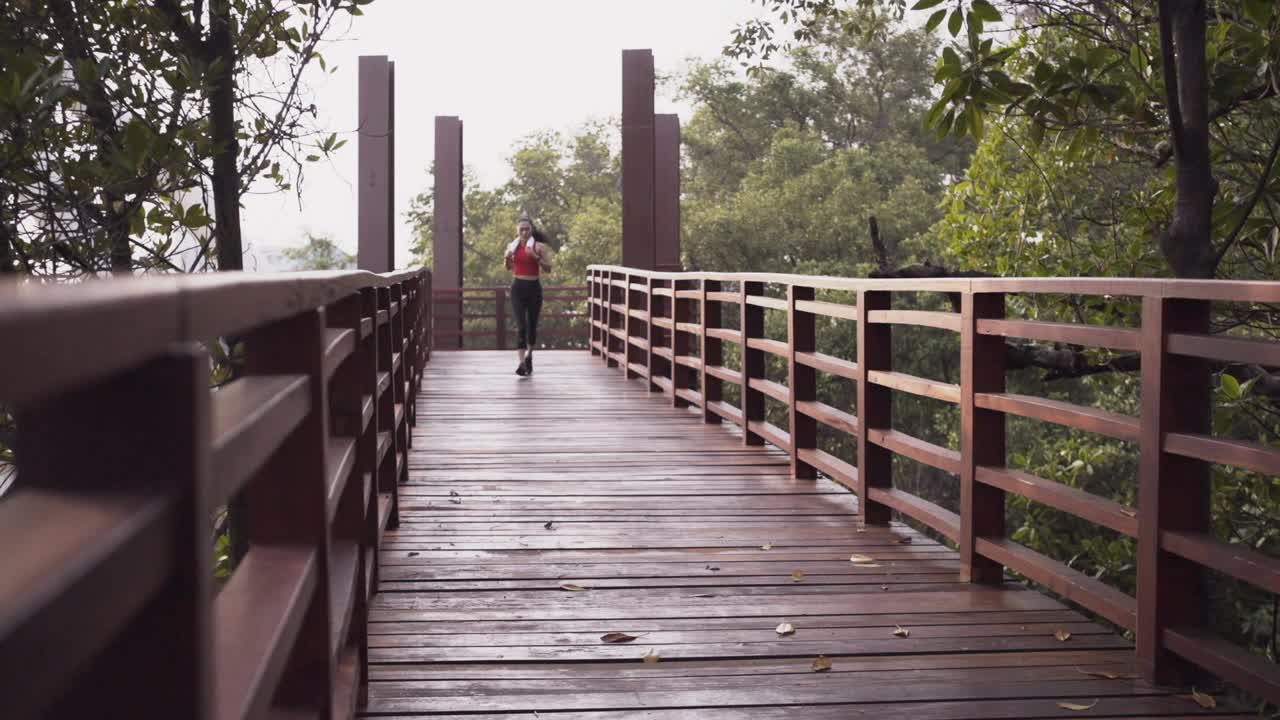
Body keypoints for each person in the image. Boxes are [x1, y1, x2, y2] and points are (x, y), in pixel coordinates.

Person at [504, 212, 552, 376]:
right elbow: (508, 268)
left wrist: (536, 257)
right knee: (521, 326)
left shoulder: (538, 247)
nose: (524, 232)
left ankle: (529, 355)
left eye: (527, 229)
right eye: (522, 229)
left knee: (532, 325)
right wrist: (506, 259)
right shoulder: (512, 246)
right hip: (517, 287)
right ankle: (521, 363)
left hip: (534, 288)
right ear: (517, 231)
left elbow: (548, 269)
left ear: (532, 230)